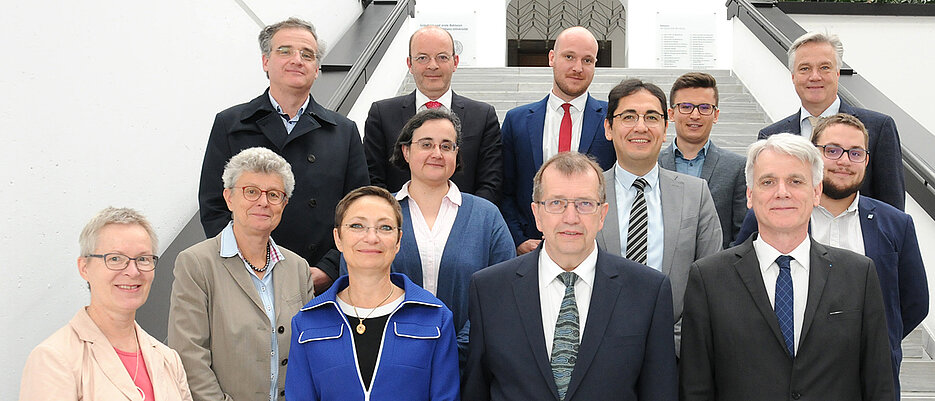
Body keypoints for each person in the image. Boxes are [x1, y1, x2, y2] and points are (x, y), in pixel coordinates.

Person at [680, 133, 894, 400]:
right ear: (749, 194)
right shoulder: (708, 278)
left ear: (816, 192)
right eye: (768, 182)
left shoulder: (858, 274)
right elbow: (696, 387)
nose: (782, 192)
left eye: (796, 181)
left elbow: (879, 383)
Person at [734, 113, 928, 396]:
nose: (845, 161)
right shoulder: (778, 213)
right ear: (813, 157)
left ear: (867, 160)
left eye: (855, 153)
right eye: (833, 150)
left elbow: (914, 301)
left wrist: (879, 340)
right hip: (787, 375)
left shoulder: (895, 224)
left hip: (869, 377)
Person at [463, 152, 677, 401]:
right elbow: (476, 389)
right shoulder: (489, 289)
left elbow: (660, 391)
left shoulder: (648, 291)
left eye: (584, 203)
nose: (571, 218)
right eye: (556, 203)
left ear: (602, 214)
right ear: (537, 214)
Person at [198, 17, 369, 293]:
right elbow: (214, 206)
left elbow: (359, 209)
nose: (297, 60)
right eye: (285, 51)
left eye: (307, 54)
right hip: (246, 281)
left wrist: (330, 266)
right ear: (266, 62)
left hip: (319, 282)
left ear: (317, 69)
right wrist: (245, 265)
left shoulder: (344, 132)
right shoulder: (230, 124)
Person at [286, 186, 459, 400]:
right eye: (357, 226)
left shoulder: (435, 317)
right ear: (338, 238)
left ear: (398, 241)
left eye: (385, 227)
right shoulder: (307, 321)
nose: (371, 237)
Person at [170, 148, 316, 401]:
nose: (263, 202)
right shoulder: (196, 264)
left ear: (284, 204)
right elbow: (189, 355)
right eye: (251, 191)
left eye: (274, 194)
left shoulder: (298, 267)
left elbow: (310, 349)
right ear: (228, 198)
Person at [596, 78, 722, 351]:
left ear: (666, 128)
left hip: (676, 351)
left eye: (652, 117)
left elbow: (712, 280)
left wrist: (670, 340)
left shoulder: (695, 193)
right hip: (598, 350)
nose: (640, 127)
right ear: (609, 128)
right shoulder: (586, 195)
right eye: (628, 116)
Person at [20, 207, 192, 400]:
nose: (133, 271)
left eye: (143, 259)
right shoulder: (53, 359)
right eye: (115, 258)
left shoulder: (169, 359)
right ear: (84, 268)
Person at [388, 109, 515, 355]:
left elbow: (504, 291)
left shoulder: (486, 216)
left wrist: (457, 348)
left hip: (470, 364)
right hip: (389, 359)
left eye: (447, 146)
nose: (437, 153)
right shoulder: (377, 211)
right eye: (426, 144)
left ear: (456, 154)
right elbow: (356, 281)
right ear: (406, 151)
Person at [499, 26, 616, 255]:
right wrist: (519, 239)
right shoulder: (517, 121)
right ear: (552, 58)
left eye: (587, 60)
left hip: (595, 249)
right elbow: (505, 189)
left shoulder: (611, 119)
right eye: (569, 57)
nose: (577, 68)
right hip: (532, 251)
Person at [758, 31, 904, 210]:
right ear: (793, 77)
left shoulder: (878, 128)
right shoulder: (771, 135)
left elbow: (892, 206)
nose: (815, 76)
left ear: (837, 73)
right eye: (804, 68)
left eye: (824, 67)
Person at [365, 25, 502, 204]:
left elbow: (491, 182)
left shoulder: (483, 116)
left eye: (442, 57)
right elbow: (372, 179)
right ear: (410, 64)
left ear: (455, 62)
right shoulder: (382, 115)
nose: (432, 65)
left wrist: (467, 221)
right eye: (422, 58)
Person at [658, 72, 746, 248]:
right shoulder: (653, 164)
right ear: (671, 113)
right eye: (686, 106)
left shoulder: (737, 168)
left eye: (705, 108)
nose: (695, 115)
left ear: (716, 115)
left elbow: (741, 235)